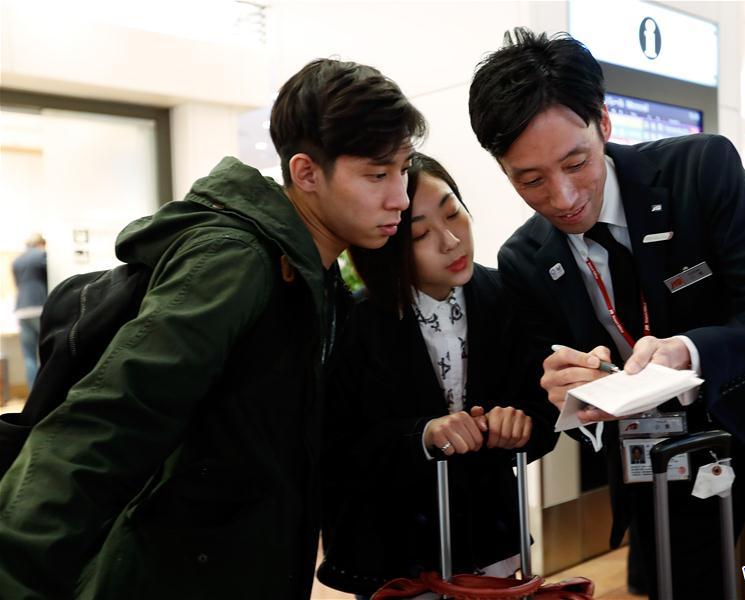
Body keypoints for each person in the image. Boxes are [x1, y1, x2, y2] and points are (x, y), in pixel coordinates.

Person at [0, 59, 426, 599]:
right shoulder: (236, 260)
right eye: (376, 174)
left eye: (404, 169)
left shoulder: (313, 277)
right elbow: (111, 420)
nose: (401, 197)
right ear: (306, 173)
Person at [468, 28, 745, 599]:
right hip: (661, 470)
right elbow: (560, 398)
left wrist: (688, 351)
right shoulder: (525, 259)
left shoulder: (698, 170)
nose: (562, 197)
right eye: (530, 181)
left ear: (602, 124)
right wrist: (570, 400)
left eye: (576, 163)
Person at [316, 152, 558, 598]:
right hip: (395, 551)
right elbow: (336, 445)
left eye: (454, 213)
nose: (451, 240)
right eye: (421, 233)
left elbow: (542, 406)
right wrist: (423, 436)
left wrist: (521, 422)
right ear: (386, 242)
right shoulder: (356, 322)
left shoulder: (506, 296)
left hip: (492, 538)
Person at [11, 233, 47, 391]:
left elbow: (18, 284)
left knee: (29, 357)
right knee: (46, 353)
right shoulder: (42, 255)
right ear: (40, 243)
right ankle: (45, 394)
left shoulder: (16, 261)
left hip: (21, 310)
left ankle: (33, 394)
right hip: (40, 307)